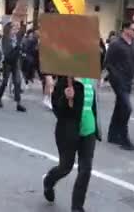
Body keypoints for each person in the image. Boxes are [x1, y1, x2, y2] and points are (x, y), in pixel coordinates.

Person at [43, 76, 101, 212]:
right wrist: (65, 97)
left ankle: (77, 207)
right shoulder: (65, 79)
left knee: (85, 169)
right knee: (65, 167)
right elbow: (57, 109)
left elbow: (93, 105)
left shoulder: (90, 79)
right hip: (68, 132)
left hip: (89, 130)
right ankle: (49, 181)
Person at [104, 21, 134, 151]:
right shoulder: (115, 44)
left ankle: (112, 135)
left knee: (120, 106)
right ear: (125, 30)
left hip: (128, 81)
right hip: (118, 81)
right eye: (133, 30)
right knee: (127, 108)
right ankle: (124, 137)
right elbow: (107, 63)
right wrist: (112, 76)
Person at [0, 22, 27, 112]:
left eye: (16, 29)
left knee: (17, 82)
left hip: (16, 61)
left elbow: (21, 44)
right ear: (8, 30)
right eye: (13, 29)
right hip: (7, 62)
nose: (15, 31)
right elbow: (7, 53)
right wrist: (18, 48)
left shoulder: (17, 37)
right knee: (5, 81)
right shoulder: (5, 39)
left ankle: (18, 103)